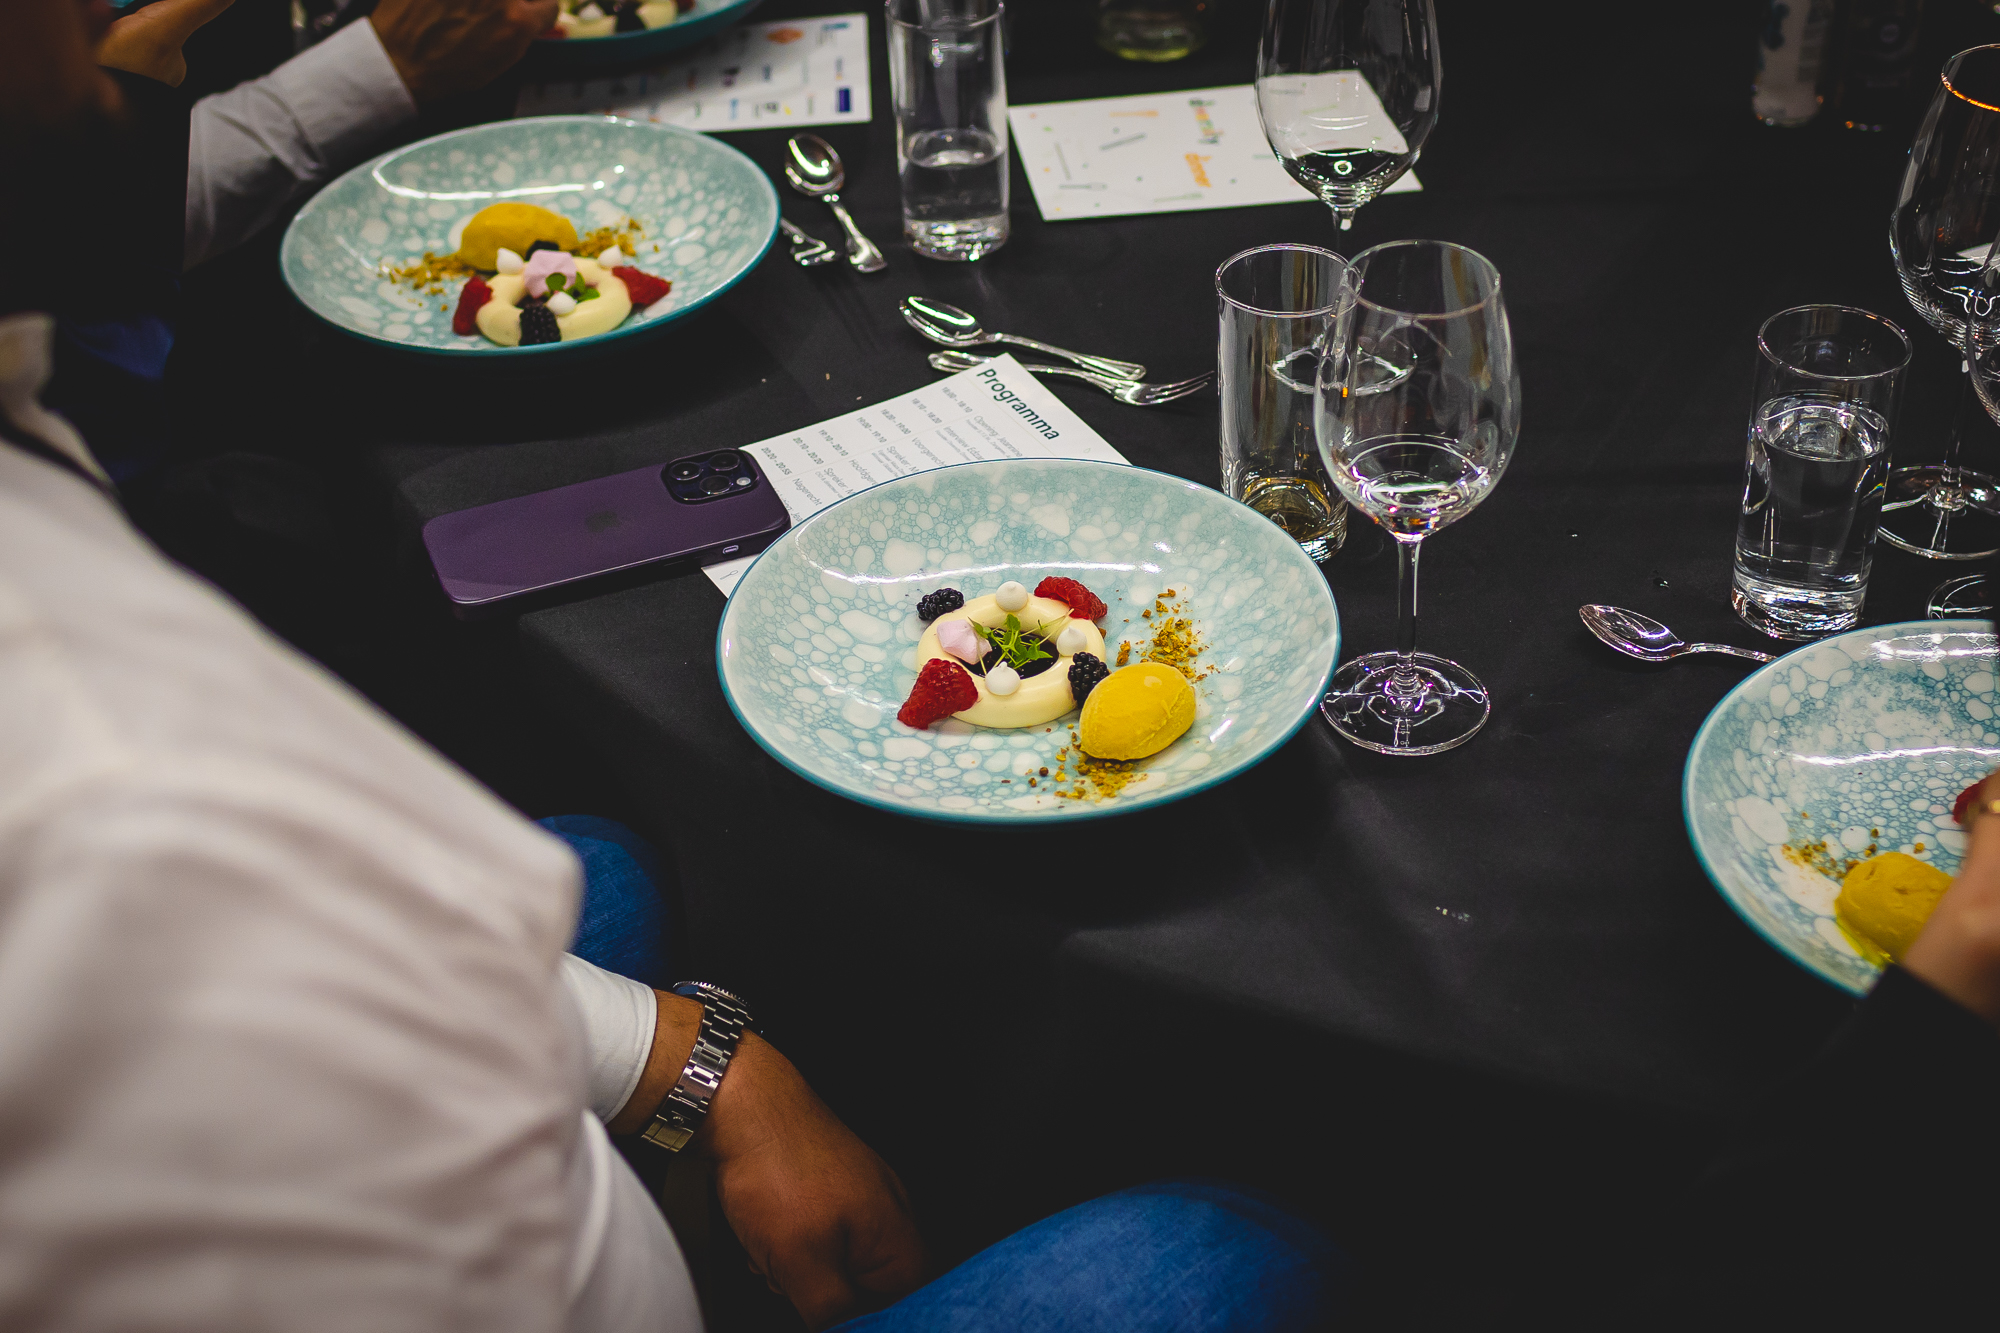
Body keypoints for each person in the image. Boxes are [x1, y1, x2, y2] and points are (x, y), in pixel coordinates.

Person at [0, 3, 1345, 1329]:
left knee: (600, 858)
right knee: (1233, 1248)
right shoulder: (106, 770)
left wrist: (696, 1064)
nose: (131, 25)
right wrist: (697, 1116)